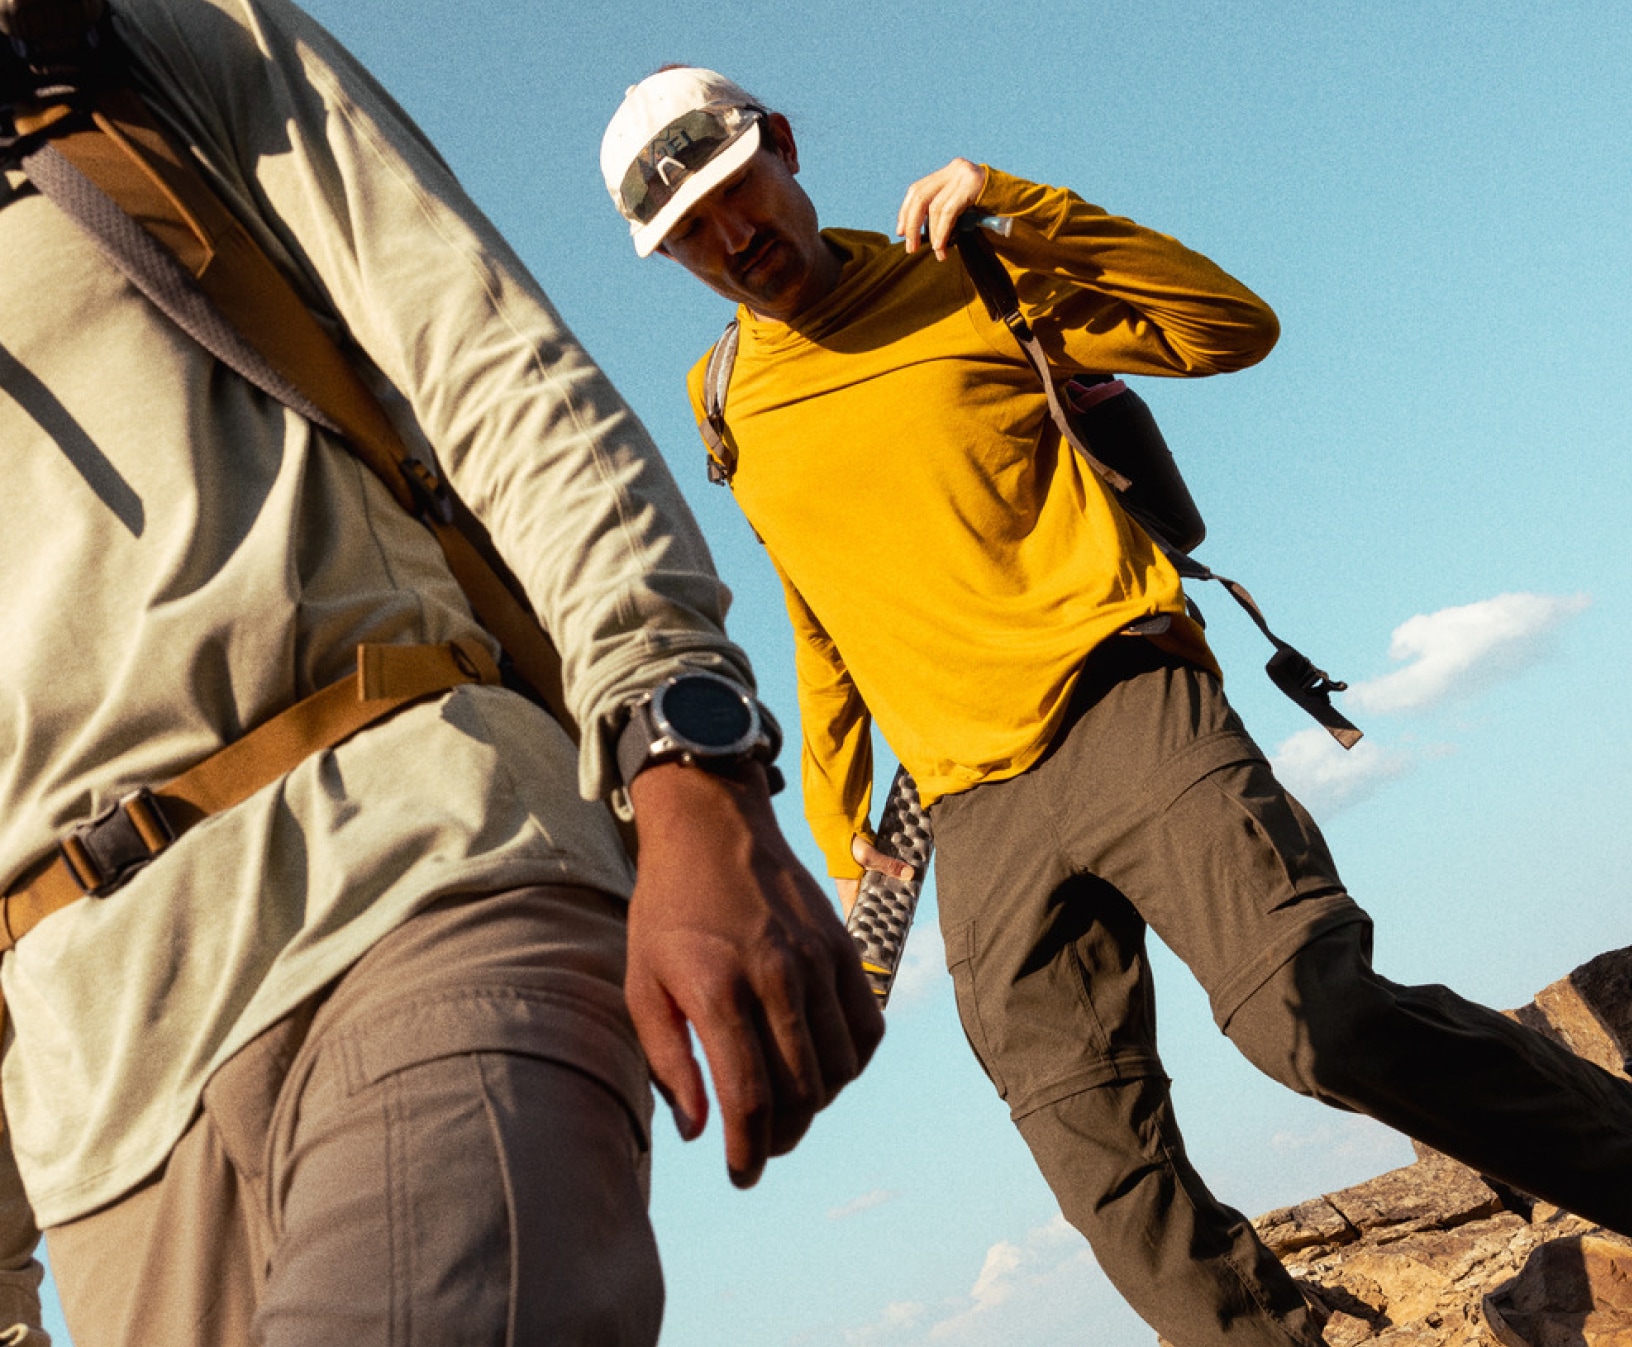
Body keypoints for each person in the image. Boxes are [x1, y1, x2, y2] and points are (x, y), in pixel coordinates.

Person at [600, 65, 1632, 1347]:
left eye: (730, 193)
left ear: (784, 150)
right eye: (686, 233)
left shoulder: (969, 270)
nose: (727, 236)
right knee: (1107, 1178)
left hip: (1125, 701)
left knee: (1317, 1022)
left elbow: (1232, 328)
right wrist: (834, 802)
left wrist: (1028, 206)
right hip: (968, 811)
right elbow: (821, 606)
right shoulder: (726, 400)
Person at [0, 6, 884, 1343]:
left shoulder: (133, 35)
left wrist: (686, 745)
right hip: (100, 1109)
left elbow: (484, 358)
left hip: (415, 860)